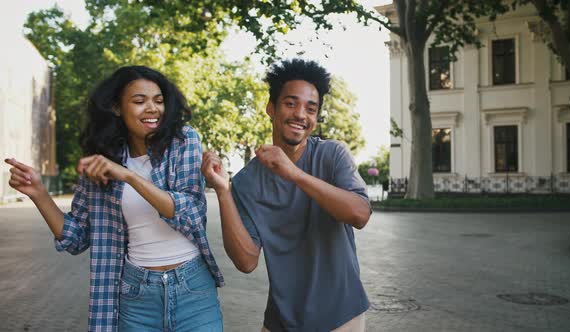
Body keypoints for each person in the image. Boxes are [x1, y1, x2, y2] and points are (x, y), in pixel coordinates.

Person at [5, 65, 224, 332]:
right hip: (136, 295)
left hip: (193, 288)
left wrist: (129, 176)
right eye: (139, 101)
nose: (152, 109)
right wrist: (39, 193)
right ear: (117, 108)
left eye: (158, 100)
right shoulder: (102, 160)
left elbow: (190, 213)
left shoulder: (183, 140)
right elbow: (75, 238)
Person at [201, 59, 371, 332]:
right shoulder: (247, 181)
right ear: (271, 108)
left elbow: (359, 215)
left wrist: (294, 174)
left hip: (342, 316)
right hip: (282, 320)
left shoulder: (332, 155)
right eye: (291, 103)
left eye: (310, 108)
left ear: (316, 118)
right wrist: (223, 191)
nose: (301, 114)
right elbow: (246, 261)